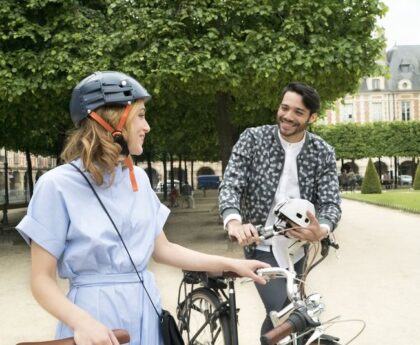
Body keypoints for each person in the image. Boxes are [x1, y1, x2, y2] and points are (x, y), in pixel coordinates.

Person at [16, 71, 269, 345]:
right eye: (140, 115)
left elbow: (163, 249)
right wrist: (83, 322)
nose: (147, 126)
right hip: (93, 318)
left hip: (145, 311)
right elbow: (41, 280)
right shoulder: (55, 185)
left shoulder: (138, 179)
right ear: (112, 121)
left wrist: (231, 263)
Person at [219, 81, 341, 335]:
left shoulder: (322, 152)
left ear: (312, 117)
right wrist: (234, 221)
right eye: (285, 108)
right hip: (260, 244)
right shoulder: (253, 139)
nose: (287, 116)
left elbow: (331, 203)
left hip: (297, 251)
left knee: (285, 318)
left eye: (298, 112)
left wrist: (322, 229)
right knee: (291, 317)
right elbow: (231, 184)